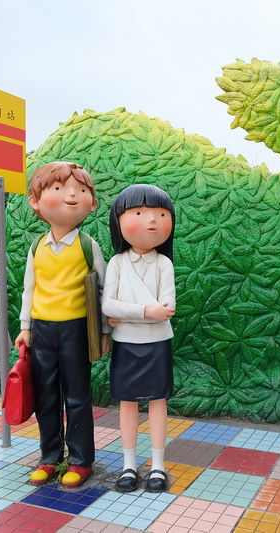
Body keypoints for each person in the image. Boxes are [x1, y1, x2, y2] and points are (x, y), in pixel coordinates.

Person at [14, 161, 110, 489]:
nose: (72, 196)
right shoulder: (36, 247)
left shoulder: (88, 246)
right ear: (35, 201)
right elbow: (30, 288)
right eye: (58, 189)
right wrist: (25, 326)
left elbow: (103, 289)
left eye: (81, 191)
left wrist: (105, 331)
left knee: (78, 395)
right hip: (42, 329)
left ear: (91, 203)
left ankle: (81, 460)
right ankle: (49, 457)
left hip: (76, 329)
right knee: (46, 397)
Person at [102, 184, 176, 493]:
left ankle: (157, 464)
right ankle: (129, 464)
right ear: (118, 220)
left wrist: (128, 312)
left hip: (157, 343)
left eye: (161, 214)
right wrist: (147, 310)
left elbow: (168, 308)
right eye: (139, 213)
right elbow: (108, 305)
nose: (152, 221)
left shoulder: (164, 264)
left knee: (158, 402)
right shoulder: (117, 263)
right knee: (127, 403)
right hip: (127, 344)